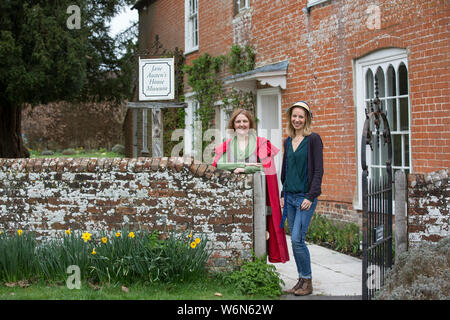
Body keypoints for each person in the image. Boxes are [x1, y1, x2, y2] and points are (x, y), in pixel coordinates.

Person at [212, 108, 289, 264]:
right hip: (234, 197)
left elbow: (267, 167)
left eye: (245, 121)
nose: (242, 124)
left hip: (258, 196)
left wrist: (245, 169)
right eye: (238, 121)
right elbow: (219, 164)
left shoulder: (260, 143)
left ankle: (259, 265)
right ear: (233, 125)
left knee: (260, 231)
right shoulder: (227, 145)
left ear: (250, 124)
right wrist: (244, 164)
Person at [280, 101, 324, 296]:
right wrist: (283, 193)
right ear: (290, 118)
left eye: (301, 116)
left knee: (298, 238)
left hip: (305, 198)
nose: (297, 119)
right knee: (295, 240)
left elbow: (318, 170)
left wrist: (310, 195)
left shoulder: (313, 139)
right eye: (294, 116)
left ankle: (307, 281)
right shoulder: (287, 141)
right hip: (289, 197)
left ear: (306, 118)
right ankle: (301, 280)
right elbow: (286, 169)